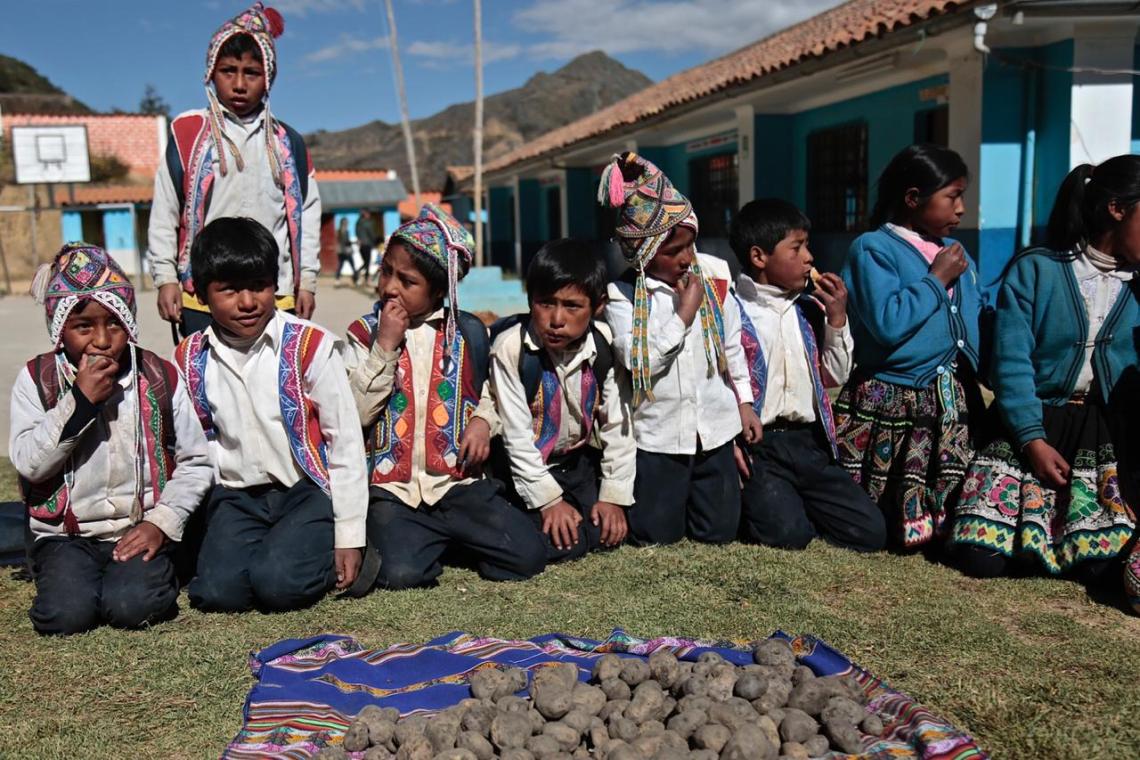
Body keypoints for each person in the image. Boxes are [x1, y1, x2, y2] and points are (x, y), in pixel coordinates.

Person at [952, 156, 1140, 585]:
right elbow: (1012, 363)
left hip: (1099, 432)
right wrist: (1032, 440)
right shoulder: (1037, 269)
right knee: (981, 557)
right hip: (1031, 424)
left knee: (1098, 562)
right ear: (1116, 209)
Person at [10, 243, 212, 635]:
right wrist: (79, 403)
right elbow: (30, 464)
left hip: (139, 527)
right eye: (84, 327)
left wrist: (160, 523)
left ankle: (153, 568)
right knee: (65, 616)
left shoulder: (158, 375)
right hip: (66, 536)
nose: (102, 340)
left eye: (115, 324)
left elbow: (196, 461)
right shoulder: (37, 380)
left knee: (132, 607)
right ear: (60, 329)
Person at [345, 204, 546, 590]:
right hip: (393, 491)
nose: (390, 287)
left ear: (439, 290)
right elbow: (355, 413)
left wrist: (483, 421)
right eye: (386, 271)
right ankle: (425, 539)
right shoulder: (363, 335)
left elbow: (491, 393)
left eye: (407, 281)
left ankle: (442, 536)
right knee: (400, 574)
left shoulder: (469, 333)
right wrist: (384, 348)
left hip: (456, 484)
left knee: (527, 555)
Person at [175, 217, 367, 611]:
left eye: (259, 286)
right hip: (236, 498)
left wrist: (350, 536)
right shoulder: (189, 357)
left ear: (276, 286)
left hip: (304, 492)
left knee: (278, 585)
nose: (247, 302)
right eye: (229, 290)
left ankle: (325, 553)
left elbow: (345, 441)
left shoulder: (310, 346)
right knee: (217, 593)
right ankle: (273, 549)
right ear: (202, 295)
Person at [599, 152, 756, 546]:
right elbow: (639, 363)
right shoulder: (622, 296)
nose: (687, 258)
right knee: (655, 534)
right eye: (673, 252)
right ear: (644, 253)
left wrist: (744, 403)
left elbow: (732, 346)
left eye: (690, 245)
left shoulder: (715, 275)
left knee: (719, 532)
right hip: (661, 437)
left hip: (715, 431)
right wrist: (684, 315)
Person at [836, 144, 984, 551]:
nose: (961, 209)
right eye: (952, 197)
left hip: (952, 397)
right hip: (895, 398)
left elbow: (974, 315)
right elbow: (888, 322)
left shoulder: (957, 255)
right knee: (886, 514)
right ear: (913, 198)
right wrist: (936, 280)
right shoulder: (873, 248)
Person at [148, 2, 322, 337]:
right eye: (228, 71)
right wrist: (166, 278)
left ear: (268, 78)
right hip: (205, 294)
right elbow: (166, 210)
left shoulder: (289, 143)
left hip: (274, 293)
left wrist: (307, 282)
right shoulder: (188, 133)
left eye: (251, 73)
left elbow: (309, 216)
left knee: (274, 369)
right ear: (211, 72)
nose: (239, 84)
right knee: (205, 369)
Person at [730, 200, 885, 553]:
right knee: (788, 535)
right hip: (761, 446)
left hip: (808, 444)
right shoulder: (733, 310)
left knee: (870, 532)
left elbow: (835, 375)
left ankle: (794, 504)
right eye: (797, 248)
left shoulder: (809, 310)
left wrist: (837, 319)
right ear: (759, 257)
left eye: (808, 246)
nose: (809, 258)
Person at [489, 239, 634, 562]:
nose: (557, 319)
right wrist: (549, 502)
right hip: (523, 468)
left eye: (572, 306)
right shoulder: (511, 349)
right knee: (557, 542)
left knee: (603, 531)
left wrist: (613, 496)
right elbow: (516, 437)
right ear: (529, 299)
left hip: (576, 464)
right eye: (545, 303)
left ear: (598, 305)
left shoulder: (605, 345)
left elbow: (618, 425)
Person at [336, 217, 359, 285]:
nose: (347, 224)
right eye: (346, 222)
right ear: (344, 223)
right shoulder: (345, 232)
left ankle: (337, 280)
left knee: (340, 266)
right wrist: (354, 242)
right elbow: (346, 242)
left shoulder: (338, 231)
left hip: (341, 251)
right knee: (352, 265)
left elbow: (341, 242)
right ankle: (356, 280)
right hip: (346, 252)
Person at [356, 210, 379, 280]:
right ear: (365, 215)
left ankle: (359, 272)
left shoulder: (358, 223)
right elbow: (371, 233)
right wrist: (376, 241)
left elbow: (357, 233)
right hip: (367, 244)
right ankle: (365, 277)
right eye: (368, 214)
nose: (369, 216)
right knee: (367, 262)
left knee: (366, 262)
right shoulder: (367, 223)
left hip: (361, 245)